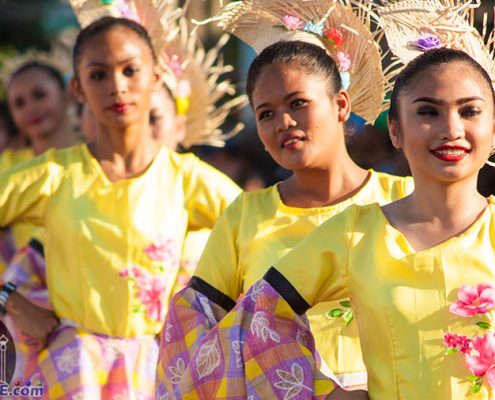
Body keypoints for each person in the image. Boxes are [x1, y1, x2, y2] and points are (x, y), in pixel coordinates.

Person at [167, 2, 495, 398]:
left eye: (298, 103)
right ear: (396, 130)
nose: (285, 122)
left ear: (341, 104)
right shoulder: (345, 227)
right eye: (266, 113)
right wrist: (320, 391)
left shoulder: (400, 199)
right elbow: (220, 323)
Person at [0, 15, 240, 399]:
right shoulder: (53, 175)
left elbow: (267, 236)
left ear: (156, 75)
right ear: (77, 89)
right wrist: (9, 300)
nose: (117, 86)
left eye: (130, 70)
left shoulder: (187, 179)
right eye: (99, 75)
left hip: (160, 373)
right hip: (71, 372)